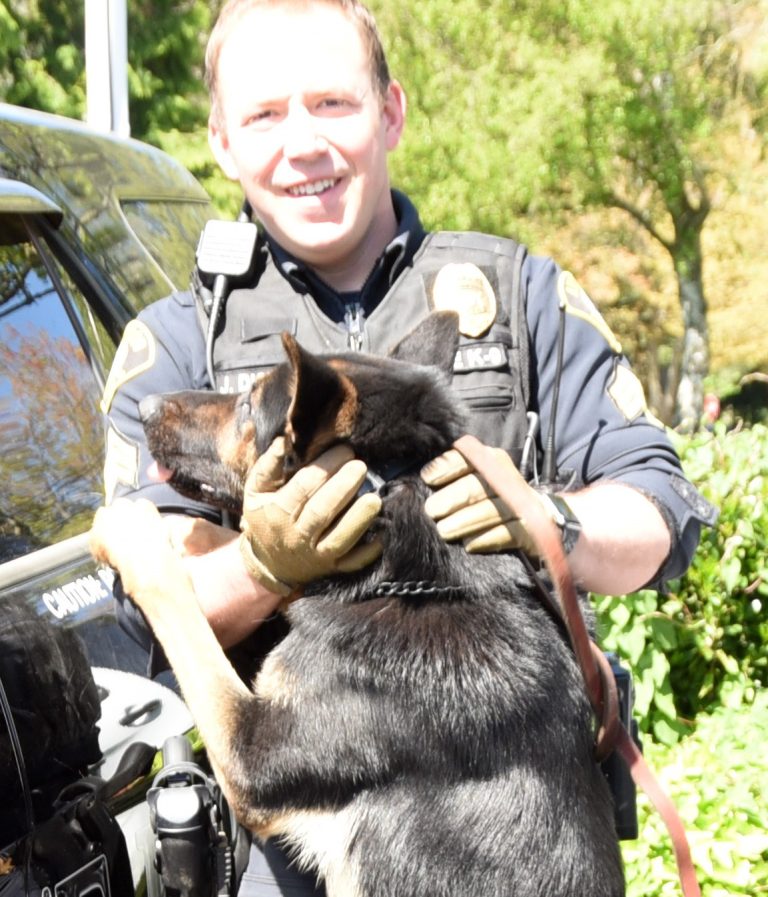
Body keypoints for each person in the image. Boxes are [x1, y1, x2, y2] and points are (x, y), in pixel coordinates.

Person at [99, 0, 717, 893]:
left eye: (333, 104)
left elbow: (662, 511)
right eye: (265, 115)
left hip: (529, 843)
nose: (302, 142)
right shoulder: (175, 350)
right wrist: (266, 568)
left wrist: (553, 523)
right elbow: (138, 604)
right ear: (223, 141)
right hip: (296, 850)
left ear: (391, 111)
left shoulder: (524, 295)